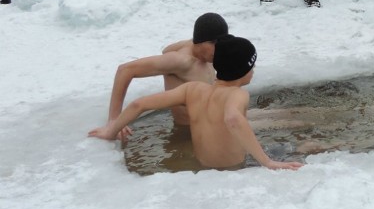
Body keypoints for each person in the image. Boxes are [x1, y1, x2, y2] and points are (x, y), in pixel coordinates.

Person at [89, 35, 304, 171]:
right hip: (234, 169)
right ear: (244, 70)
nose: (254, 71)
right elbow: (233, 119)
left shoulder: (193, 90)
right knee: (307, 147)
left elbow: (140, 104)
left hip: (203, 167)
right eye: (253, 66)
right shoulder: (237, 95)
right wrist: (266, 161)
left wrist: (111, 129)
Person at [93, 12, 229, 141]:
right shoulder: (182, 61)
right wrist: (114, 119)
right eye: (213, 43)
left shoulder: (206, 54)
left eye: (221, 43)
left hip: (212, 123)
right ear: (199, 41)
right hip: (188, 133)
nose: (219, 49)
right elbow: (125, 70)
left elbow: (166, 49)